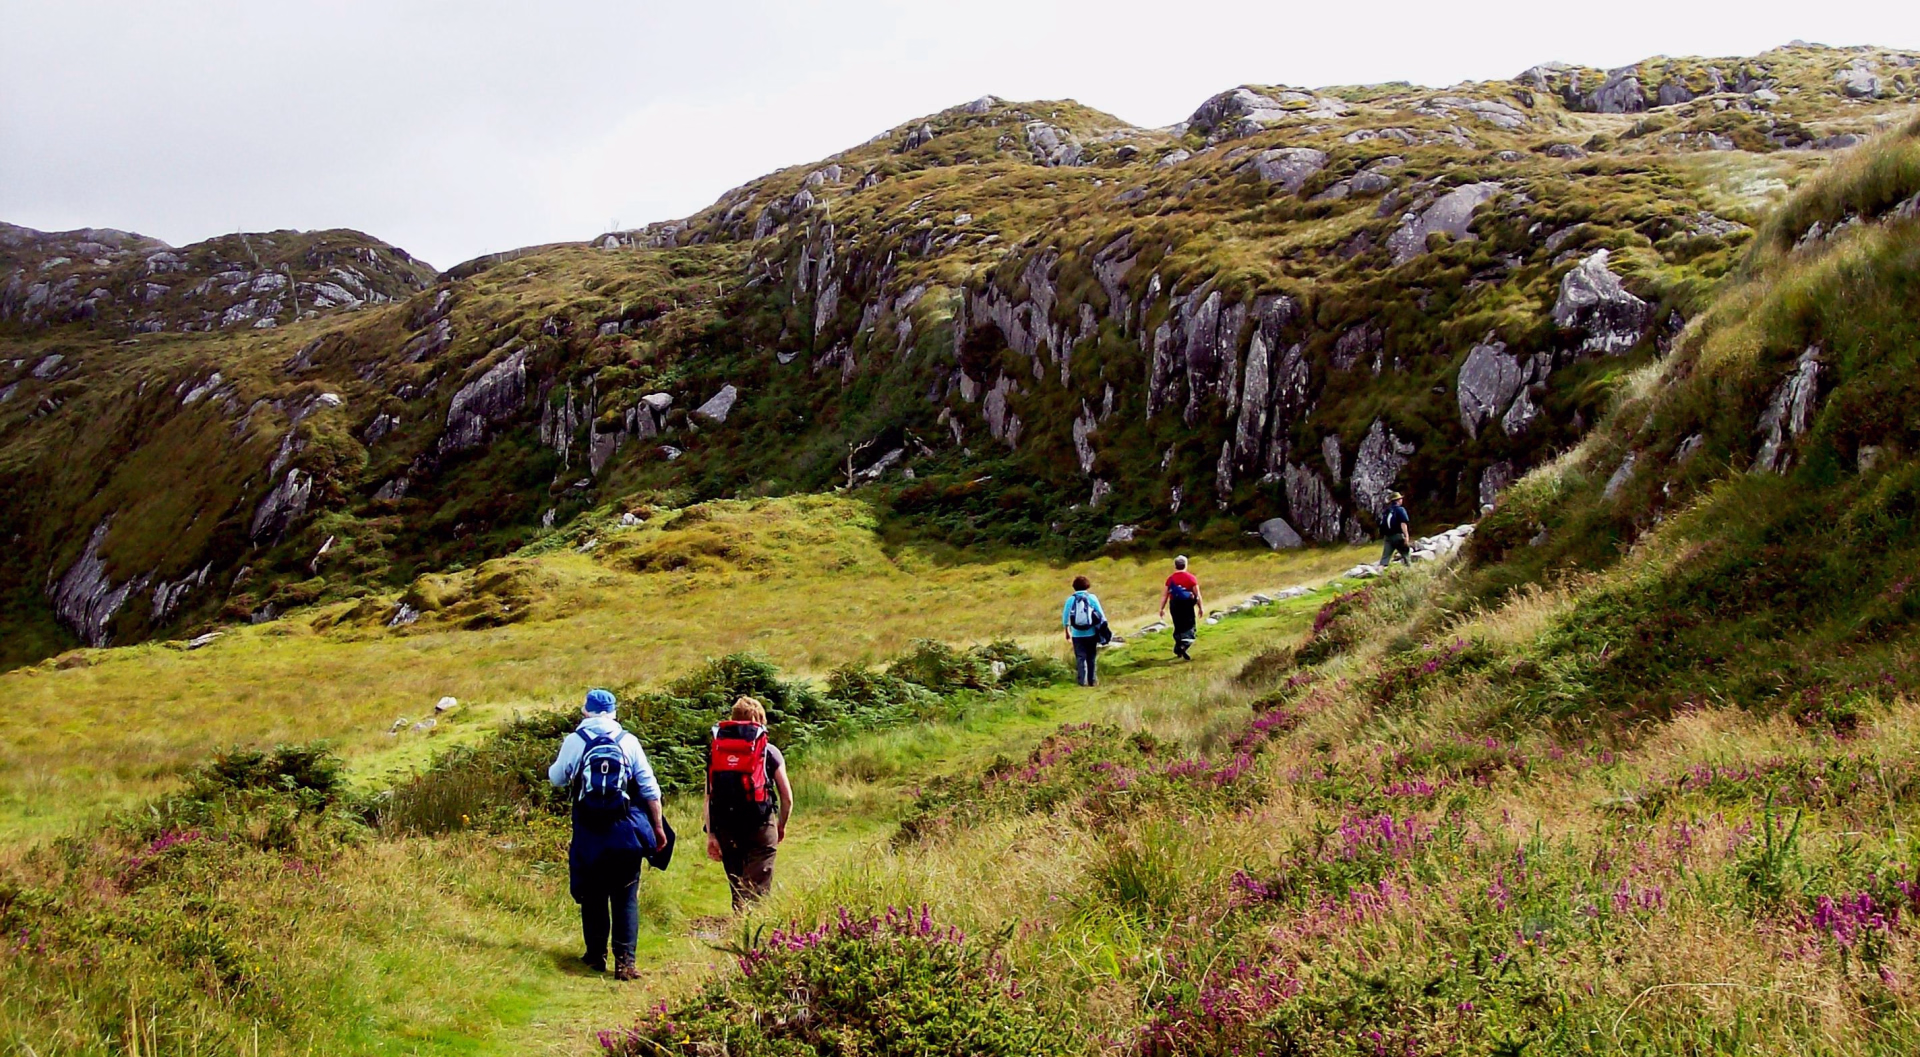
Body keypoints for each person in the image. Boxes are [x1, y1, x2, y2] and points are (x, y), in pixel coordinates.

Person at [547, 687, 666, 981]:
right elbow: (650, 789)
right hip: (624, 828)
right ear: (614, 712)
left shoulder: (576, 740)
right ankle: (625, 962)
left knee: (593, 891)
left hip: (588, 829)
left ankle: (595, 956)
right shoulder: (628, 741)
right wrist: (658, 829)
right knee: (626, 893)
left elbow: (556, 778)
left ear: (585, 710)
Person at [704, 696, 793, 912]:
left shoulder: (717, 751)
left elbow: (709, 797)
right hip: (760, 824)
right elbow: (787, 797)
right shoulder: (769, 751)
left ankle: (739, 930)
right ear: (761, 720)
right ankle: (754, 935)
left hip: (727, 827)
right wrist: (780, 825)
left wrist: (711, 835)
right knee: (757, 891)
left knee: (738, 887)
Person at [1062, 575, 1107, 687]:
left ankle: (1082, 681)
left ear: (1074, 587)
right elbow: (1101, 615)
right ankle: (1092, 681)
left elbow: (1065, 617)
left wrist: (1067, 632)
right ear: (1087, 585)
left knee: (1080, 657)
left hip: (1077, 634)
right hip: (1091, 632)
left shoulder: (1070, 599)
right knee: (1091, 656)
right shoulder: (1092, 598)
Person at [1159, 555, 1206, 661]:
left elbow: (1164, 595)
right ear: (1186, 565)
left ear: (1175, 565)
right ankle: (1184, 645)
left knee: (1178, 625)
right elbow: (1197, 595)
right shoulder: (1191, 578)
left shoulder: (1170, 579)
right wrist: (1200, 607)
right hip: (1187, 605)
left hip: (1174, 605)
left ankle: (1178, 647)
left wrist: (1161, 609)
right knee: (1189, 626)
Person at [1381, 491, 1413, 568]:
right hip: (1398, 536)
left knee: (1385, 558)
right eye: (1400, 499)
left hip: (1388, 537)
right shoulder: (1400, 510)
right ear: (1398, 500)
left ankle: (1380, 574)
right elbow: (1403, 523)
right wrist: (1406, 536)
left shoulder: (1387, 511)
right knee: (1406, 554)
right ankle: (1410, 572)